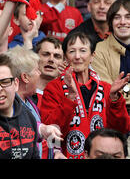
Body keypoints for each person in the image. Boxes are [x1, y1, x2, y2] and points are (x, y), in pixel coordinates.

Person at [39, 31, 130, 159]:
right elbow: (50, 131)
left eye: (83, 50)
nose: (77, 56)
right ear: (65, 57)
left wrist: (115, 99)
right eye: (72, 51)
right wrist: (70, 98)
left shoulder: (106, 88)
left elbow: (122, 128)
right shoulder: (54, 88)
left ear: (92, 56)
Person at [7, 45, 64, 159]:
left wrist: (56, 151)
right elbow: (32, 127)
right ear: (25, 77)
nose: (40, 73)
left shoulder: (30, 101)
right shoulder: (8, 106)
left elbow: (47, 130)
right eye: (37, 70)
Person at [91, 0, 130, 110]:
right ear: (111, 23)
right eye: (117, 17)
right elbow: (107, 90)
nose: (123, 22)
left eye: (128, 17)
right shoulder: (99, 50)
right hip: (113, 110)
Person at [34, 36, 64, 107]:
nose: (51, 59)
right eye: (46, 54)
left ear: (64, 62)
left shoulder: (67, 95)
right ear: (35, 58)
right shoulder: (23, 91)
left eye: (57, 56)